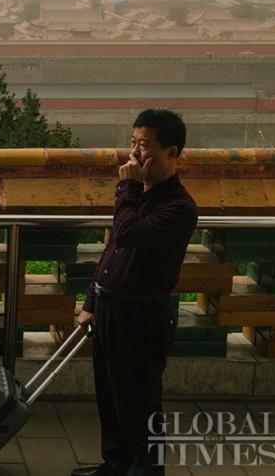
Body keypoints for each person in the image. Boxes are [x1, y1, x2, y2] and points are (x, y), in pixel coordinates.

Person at [71, 109, 198, 476]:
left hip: (142, 315)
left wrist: (126, 187)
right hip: (110, 307)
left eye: (143, 146)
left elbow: (127, 234)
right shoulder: (140, 196)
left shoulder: (179, 207)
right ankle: (116, 464)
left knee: (139, 403)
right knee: (110, 396)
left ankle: (147, 470)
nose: (134, 154)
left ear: (171, 152)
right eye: (133, 143)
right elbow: (113, 251)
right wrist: (91, 301)